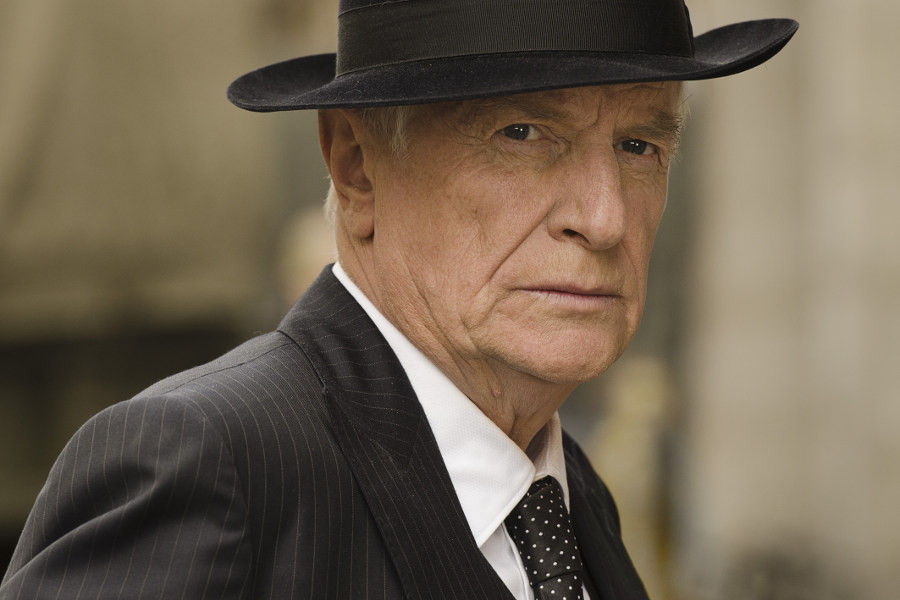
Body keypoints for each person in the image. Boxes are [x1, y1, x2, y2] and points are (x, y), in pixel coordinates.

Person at [0, 1, 797, 598]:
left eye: (638, 145)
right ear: (356, 164)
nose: (604, 217)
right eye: (523, 134)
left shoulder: (567, 497)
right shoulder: (210, 466)